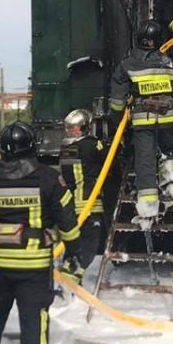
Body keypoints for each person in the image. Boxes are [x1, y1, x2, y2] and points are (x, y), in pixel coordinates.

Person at [0, 121, 80, 344]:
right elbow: (66, 220)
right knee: (33, 318)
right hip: (33, 267)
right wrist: (74, 251)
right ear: (32, 147)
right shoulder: (48, 178)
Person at [109, 20, 173, 222]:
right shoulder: (169, 63)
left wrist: (118, 125)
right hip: (168, 117)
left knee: (145, 160)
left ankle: (149, 206)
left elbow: (117, 102)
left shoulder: (126, 65)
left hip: (143, 121)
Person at [58, 108, 106, 280]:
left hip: (70, 205)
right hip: (89, 204)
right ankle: (74, 277)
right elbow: (109, 163)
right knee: (89, 243)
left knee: (73, 241)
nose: (70, 131)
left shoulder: (65, 148)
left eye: (72, 128)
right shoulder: (93, 145)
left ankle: (66, 270)